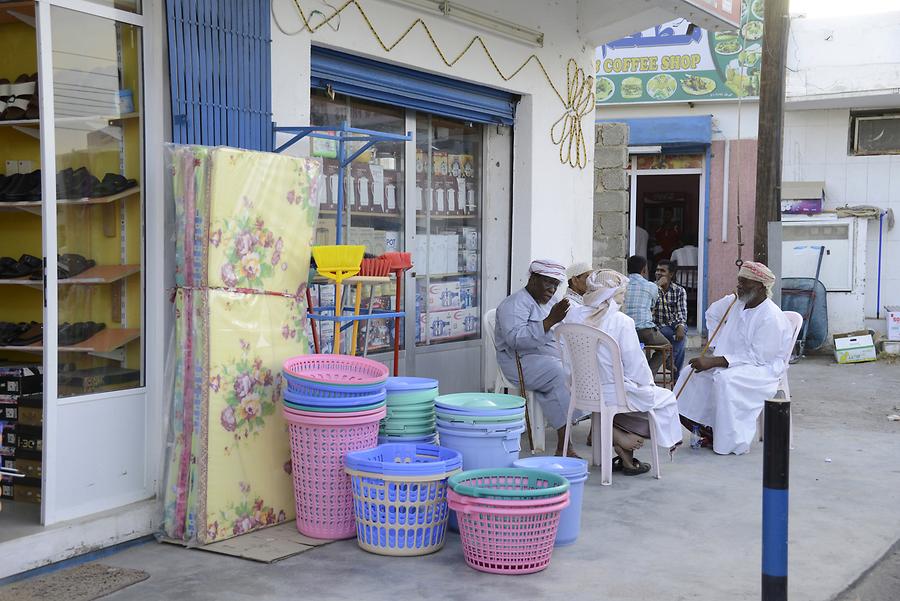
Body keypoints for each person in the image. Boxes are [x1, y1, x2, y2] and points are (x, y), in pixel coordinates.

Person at [563, 270, 684, 475]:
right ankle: (625, 439)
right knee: (665, 399)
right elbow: (636, 367)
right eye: (621, 292)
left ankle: (618, 437)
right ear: (610, 293)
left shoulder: (573, 315)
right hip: (613, 394)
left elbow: (566, 358)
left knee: (642, 397)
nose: (624, 297)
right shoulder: (621, 321)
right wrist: (646, 384)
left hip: (580, 391)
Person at [676, 262, 792, 455]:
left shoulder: (771, 317)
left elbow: (759, 357)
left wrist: (715, 361)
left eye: (744, 282)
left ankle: (731, 441)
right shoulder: (735, 303)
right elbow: (712, 314)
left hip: (763, 368)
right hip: (732, 361)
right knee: (691, 372)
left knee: (724, 379)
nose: (738, 286)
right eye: (738, 281)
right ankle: (706, 428)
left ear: (760, 287)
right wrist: (718, 347)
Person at [494, 259, 584, 457]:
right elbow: (515, 340)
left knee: (582, 367)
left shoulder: (550, 301)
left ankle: (575, 434)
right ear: (533, 279)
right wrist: (550, 320)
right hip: (517, 361)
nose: (552, 289)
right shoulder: (514, 304)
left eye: (556, 285)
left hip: (544, 356)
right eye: (548, 282)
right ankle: (564, 445)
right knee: (557, 373)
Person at [622, 255, 670, 375]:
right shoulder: (651, 286)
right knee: (666, 347)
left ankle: (633, 374)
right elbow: (652, 306)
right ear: (644, 270)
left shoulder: (621, 285)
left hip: (624, 330)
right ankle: (647, 374)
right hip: (644, 331)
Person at [654, 259, 687, 381]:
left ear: (671, 274)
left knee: (682, 331)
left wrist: (680, 326)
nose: (658, 273)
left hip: (672, 326)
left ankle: (670, 361)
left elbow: (681, 312)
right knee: (682, 340)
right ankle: (676, 377)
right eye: (657, 270)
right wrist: (657, 287)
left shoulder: (679, 291)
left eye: (662, 271)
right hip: (657, 328)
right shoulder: (651, 288)